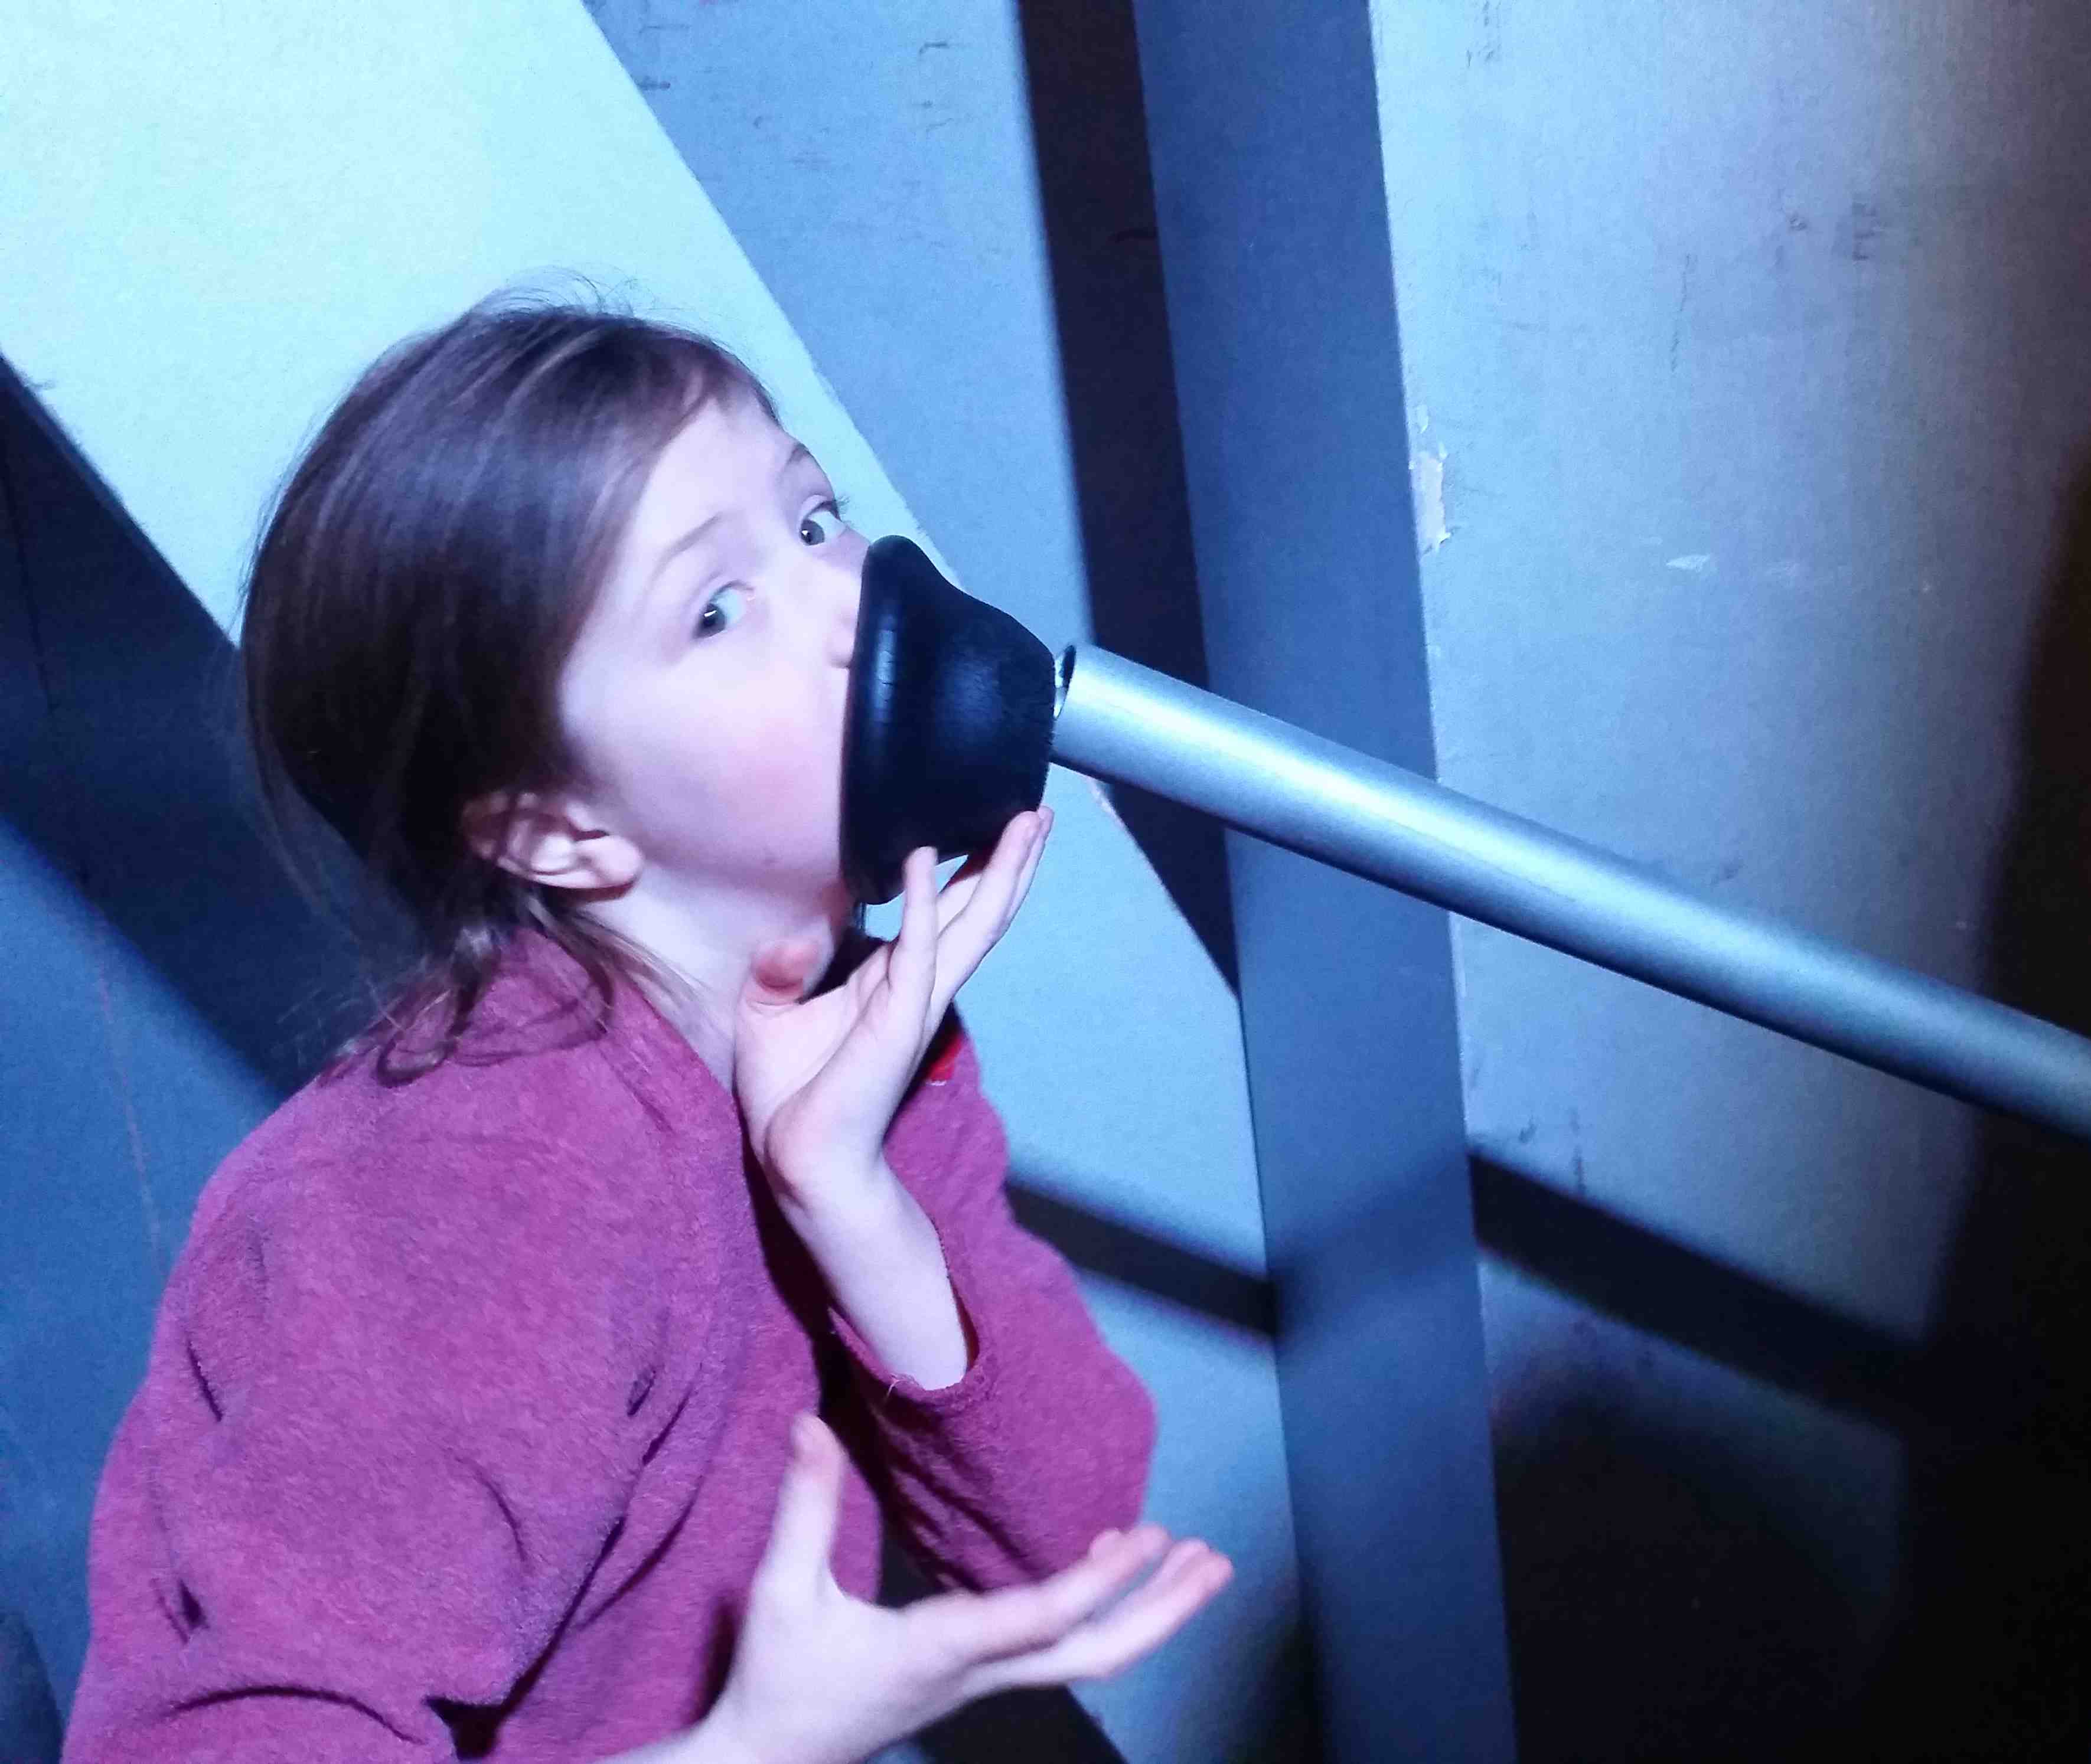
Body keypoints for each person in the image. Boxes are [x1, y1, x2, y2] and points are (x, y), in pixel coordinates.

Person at [60, 290, 1232, 1763]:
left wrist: (853, 1199)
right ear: (553, 831)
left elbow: (1072, 1549)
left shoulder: (855, 1034)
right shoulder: (476, 1185)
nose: (850, 604)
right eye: (716, 610)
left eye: (814, 520)